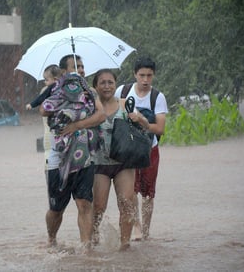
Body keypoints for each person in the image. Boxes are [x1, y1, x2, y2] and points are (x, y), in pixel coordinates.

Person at [39, 54, 106, 251]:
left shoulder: (90, 91)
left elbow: (101, 115)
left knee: (84, 203)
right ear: (64, 72)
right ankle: (51, 239)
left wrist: (77, 125)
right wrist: (68, 97)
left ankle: (86, 250)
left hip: (84, 155)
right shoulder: (53, 89)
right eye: (76, 66)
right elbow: (43, 110)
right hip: (57, 157)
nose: (82, 70)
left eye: (83, 66)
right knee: (56, 208)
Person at [91, 69, 148, 251]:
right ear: (95, 86)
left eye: (110, 82)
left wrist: (139, 118)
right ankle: (93, 236)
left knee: (127, 202)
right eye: (102, 83)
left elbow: (146, 125)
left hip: (124, 163)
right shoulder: (91, 107)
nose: (107, 86)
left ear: (115, 85)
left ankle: (125, 244)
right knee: (99, 206)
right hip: (99, 163)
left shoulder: (125, 104)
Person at [115, 57, 168, 240]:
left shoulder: (157, 97)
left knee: (148, 193)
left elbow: (160, 129)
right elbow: (114, 117)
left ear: (154, 76)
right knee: (130, 191)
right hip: (128, 150)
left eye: (149, 76)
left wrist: (143, 122)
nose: (145, 80)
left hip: (149, 150)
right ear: (134, 74)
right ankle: (136, 226)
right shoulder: (122, 91)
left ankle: (145, 231)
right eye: (142, 75)